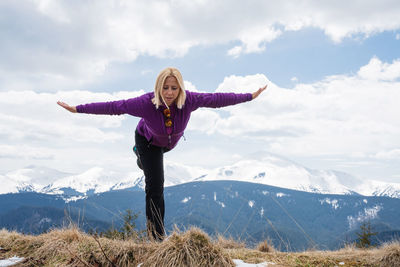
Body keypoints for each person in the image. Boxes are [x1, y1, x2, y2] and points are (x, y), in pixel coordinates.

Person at [57, 67, 267, 241]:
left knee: (154, 169)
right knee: (155, 186)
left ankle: (143, 160)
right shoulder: (145, 103)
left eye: (174, 88)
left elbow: (217, 99)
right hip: (147, 142)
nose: (169, 92)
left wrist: (249, 96)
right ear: (158, 87)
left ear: (180, 88)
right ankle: (156, 238)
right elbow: (114, 106)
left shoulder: (190, 100)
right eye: (165, 87)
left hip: (168, 143)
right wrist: (78, 109)